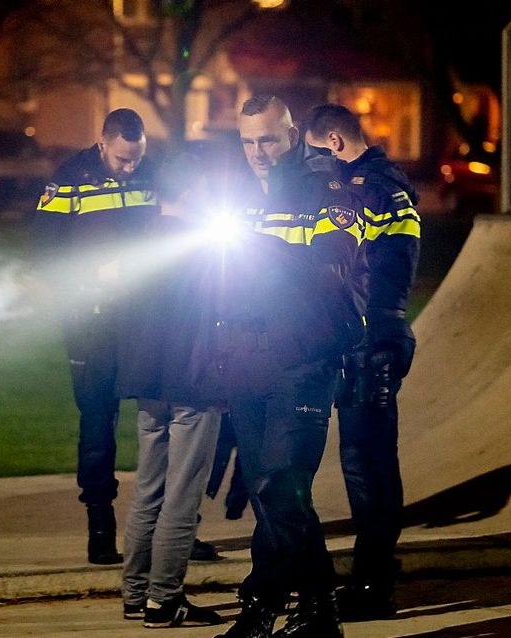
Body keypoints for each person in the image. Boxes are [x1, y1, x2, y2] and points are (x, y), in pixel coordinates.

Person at [214, 95, 362, 638]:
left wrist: (256, 248)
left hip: (305, 354)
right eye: (248, 141)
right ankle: (307, 611)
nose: (258, 152)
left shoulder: (327, 182)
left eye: (268, 140)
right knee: (265, 488)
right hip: (247, 354)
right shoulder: (235, 190)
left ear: (293, 132)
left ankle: (279, 604)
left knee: (282, 480)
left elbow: (332, 265)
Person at [304, 103, 421, 620]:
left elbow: (379, 272)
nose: (310, 163)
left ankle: (374, 585)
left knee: (367, 464)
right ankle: (374, 578)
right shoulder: (378, 182)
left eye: (312, 151)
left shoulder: (370, 188)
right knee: (365, 462)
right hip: (369, 336)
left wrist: (373, 336)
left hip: (370, 340)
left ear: (332, 143)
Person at [33, 108, 159, 565]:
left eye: (137, 159)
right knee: (97, 418)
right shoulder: (68, 178)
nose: (131, 168)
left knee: (164, 414)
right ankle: (100, 527)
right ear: (102, 143)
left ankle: (170, 525)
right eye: (123, 159)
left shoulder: (153, 171)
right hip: (90, 318)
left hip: (143, 316)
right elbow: (45, 250)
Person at [114, 151, 227, 628]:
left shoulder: (138, 235)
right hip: (193, 381)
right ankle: (165, 599)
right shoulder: (206, 245)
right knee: (183, 494)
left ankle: (135, 594)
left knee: (147, 489)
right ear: (194, 189)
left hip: (147, 379)